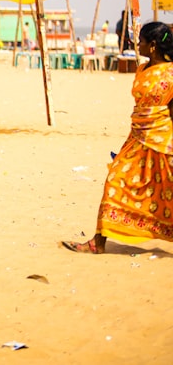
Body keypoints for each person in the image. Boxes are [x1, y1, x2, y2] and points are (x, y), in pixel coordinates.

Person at [61, 21, 173, 254]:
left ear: (153, 45)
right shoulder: (142, 69)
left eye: (140, 41)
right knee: (115, 179)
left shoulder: (172, 74)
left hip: (163, 140)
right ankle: (98, 243)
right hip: (137, 138)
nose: (137, 44)